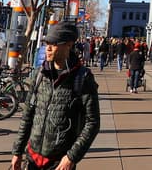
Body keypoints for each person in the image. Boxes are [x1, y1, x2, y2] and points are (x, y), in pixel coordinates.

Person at [11, 22, 100, 170]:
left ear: (69, 45)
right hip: (33, 158)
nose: (48, 49)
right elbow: (27, 115)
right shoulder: (40, 74)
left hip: (59, 163)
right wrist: (17, 151)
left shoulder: (82, 78)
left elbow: (93, 122)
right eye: (47, 44)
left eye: (54, 44)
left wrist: (72, 157)